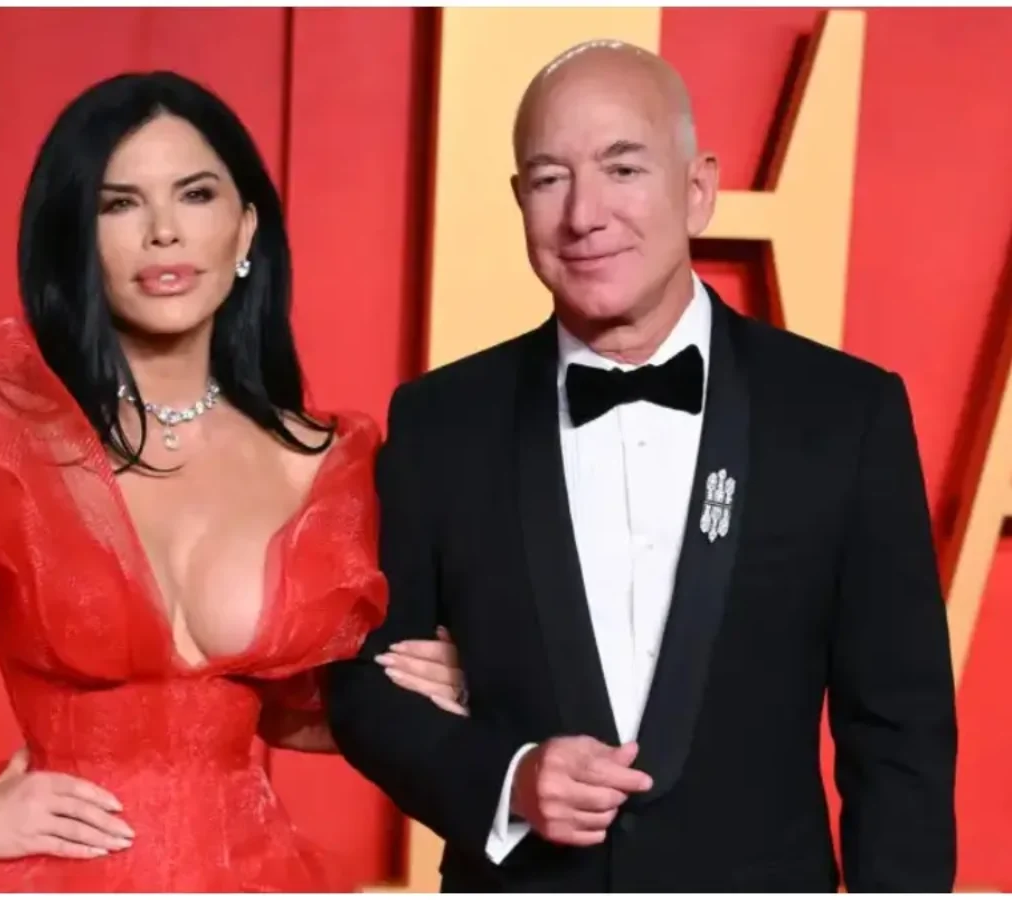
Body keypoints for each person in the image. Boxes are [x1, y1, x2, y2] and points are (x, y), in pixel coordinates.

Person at [326, 39, 957, 892]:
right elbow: (366, 687)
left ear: (698, 189)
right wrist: (509, 779)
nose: (584, 214)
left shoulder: (844, 413)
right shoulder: (442, 421)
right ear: (518, 200)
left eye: (623, 169)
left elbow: (900, 734)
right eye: (549, 179)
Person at [0, 70, 465, 892]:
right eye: (119, 204)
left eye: (195, 194)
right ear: (75, 240)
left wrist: (433, 683)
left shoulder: (325, 463)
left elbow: (298, 713)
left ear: (246, 228)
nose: (163, 232)